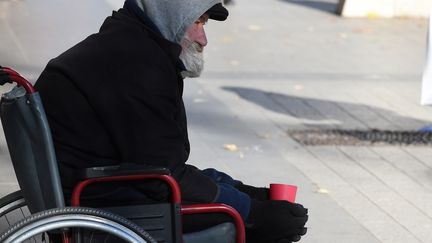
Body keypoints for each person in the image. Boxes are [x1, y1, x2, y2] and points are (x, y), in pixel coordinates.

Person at [35, 0, 308, 242]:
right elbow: (164, 175)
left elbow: (164, 165)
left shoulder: (128, 44)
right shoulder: (136, 66)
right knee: (251, 223)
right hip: (110, 204)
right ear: (170, 17)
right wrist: (252, 212)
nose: (204, 38)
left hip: (109, 187)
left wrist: (246, 193)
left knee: (252, 210)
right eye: (197, 22)